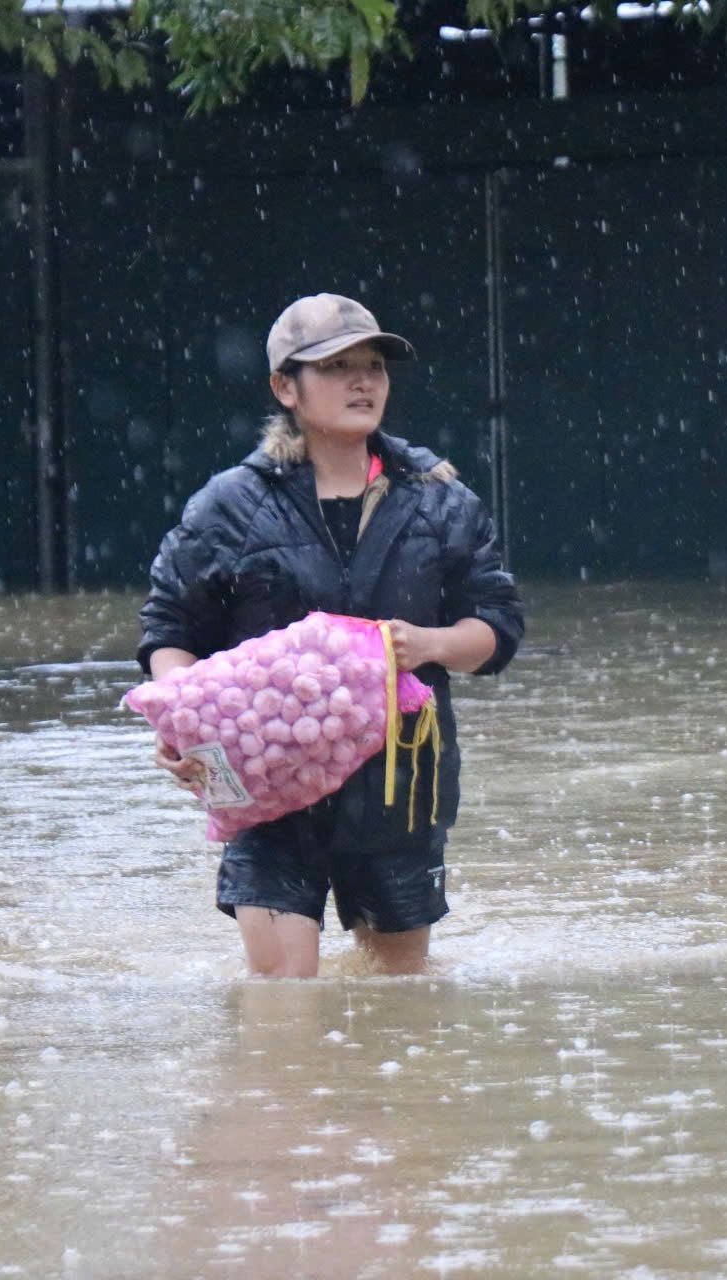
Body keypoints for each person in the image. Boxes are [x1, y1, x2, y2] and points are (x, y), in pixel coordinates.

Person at [137, 293, 524, 978]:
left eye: (373, 365)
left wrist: (429, 646)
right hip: (268, 792)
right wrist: (184, 721)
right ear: (285, 388)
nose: (362, 382)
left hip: (401, 790)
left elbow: (496, 629)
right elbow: (171, 628)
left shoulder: (440, 501)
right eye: (336, 366)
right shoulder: (231, 505)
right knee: (281, 1000)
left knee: (399, 1004)